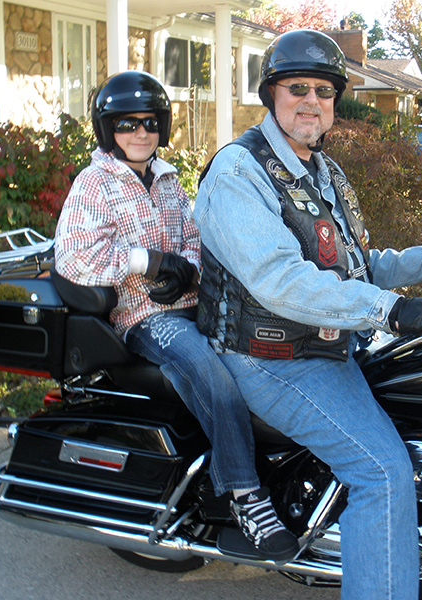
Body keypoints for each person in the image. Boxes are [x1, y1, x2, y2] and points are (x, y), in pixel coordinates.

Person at [193, 30, 422, 599]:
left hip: (325, 343)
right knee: (382, 474)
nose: (311, 100)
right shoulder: (240, 172)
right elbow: (280, 281)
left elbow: (358, 264)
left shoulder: (321, 171)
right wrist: (395, 312)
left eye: (324, 90)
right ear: (271, 94)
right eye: (296, 88)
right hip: (269, 355)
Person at [53, 70, 298, 562]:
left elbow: (194, 234)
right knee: (211, 373)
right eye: (125, 124)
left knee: (269, 353)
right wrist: (149, 261)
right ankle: (245, 494)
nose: (139, 133)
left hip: (192, 305)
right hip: (142, 316)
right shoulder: (94, 182)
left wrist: (186, 268)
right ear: (107, 130)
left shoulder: (166, 178)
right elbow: (75, 258)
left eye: (148, 122)